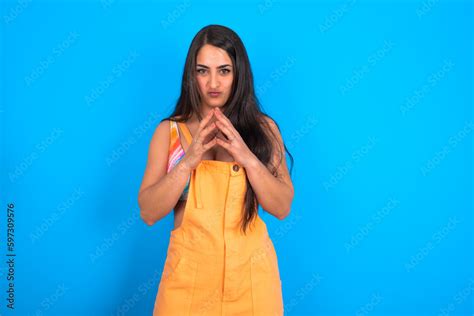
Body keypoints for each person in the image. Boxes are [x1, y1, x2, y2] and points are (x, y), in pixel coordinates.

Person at [138, 24, 294, 316]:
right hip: (187, 285)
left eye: (224, 70)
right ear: (191, 75)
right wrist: (188, 160)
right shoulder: (169, 132)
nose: (213, 82)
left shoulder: (264, 130)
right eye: (202, 71)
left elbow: (282, 206)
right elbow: (148, 213)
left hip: (253, 283)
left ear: (238, 74)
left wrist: (246, 157)